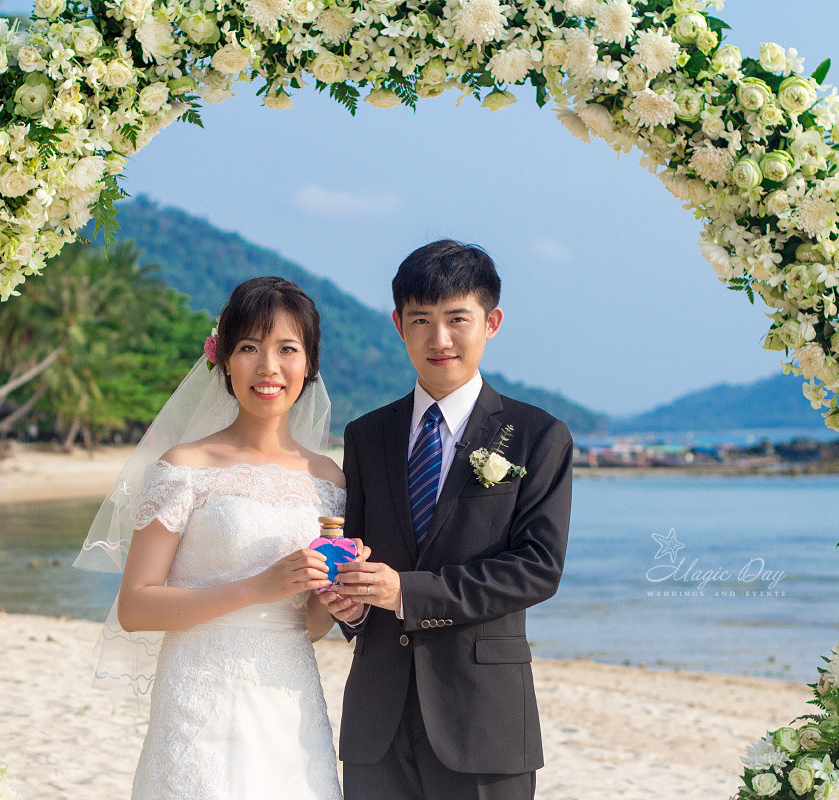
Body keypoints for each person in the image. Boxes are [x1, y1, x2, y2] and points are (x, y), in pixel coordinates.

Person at [72, 276, 358, 800]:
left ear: (310, 364)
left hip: (289, 700)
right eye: (249, 347)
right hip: (199, 698)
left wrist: (335, 597)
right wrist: (256, 587)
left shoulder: (329, 480)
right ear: (223, 360)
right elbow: (135, 607)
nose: (268, 367)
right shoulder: (184, 466)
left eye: (287, 349)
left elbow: (310, 625)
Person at [320, 240, 573, 800]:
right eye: (421, 320)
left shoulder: (537, 435)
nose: (439, 339)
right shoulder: (366, 436)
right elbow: (355, 552)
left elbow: (537, 568)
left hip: (482, 720)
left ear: (491, 323)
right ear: (398, 325)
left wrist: (405, 593)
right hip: (377, 722)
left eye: (458, 319)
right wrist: (351, 607)